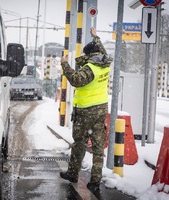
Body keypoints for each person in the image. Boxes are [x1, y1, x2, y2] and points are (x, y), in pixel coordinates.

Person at [59, 27, 112, 192]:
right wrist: (96, 37)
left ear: (89, 55)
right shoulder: (105, 63)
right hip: (101, 109)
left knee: (79, 143)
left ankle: (73, 173)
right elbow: (102, 49)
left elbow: (76, 80)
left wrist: (64, 64)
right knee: (97, 146)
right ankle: (95, 181)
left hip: (85, 111)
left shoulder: (90, 68)